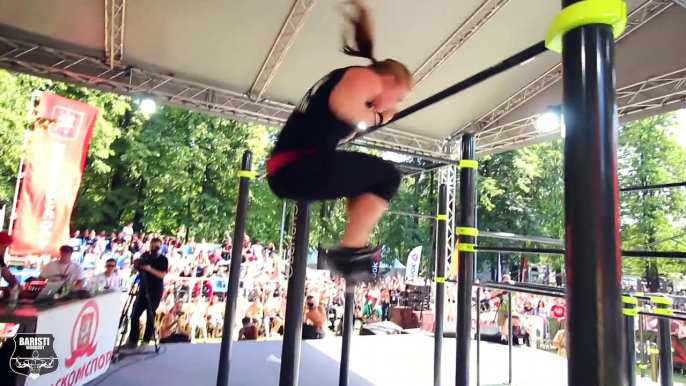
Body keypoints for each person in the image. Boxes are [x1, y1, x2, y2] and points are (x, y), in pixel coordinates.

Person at [265, 0, 411, 282]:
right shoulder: (365, 77)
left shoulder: (346, 81)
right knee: (388, 177)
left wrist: (362, 124)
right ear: (390, 81)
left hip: (292, 170)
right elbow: (347, 109)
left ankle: (353, 245)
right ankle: (350, 249)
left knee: (368, 183)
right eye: (399, 96)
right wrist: (382, 117)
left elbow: (340, 119)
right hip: (299, 167)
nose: (395, 103)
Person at [123, 237, 169, 353]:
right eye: (152, 246)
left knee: (150, 315)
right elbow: (139, 269)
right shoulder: (145, 256)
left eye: (157, 246)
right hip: (143, 287)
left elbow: (162, 275)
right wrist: (137, 265)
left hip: (155, 290)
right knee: (134, 314)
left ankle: (145, 342)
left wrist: (149, 269)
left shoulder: (163, 260)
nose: (154, 249)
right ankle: (133, 340)